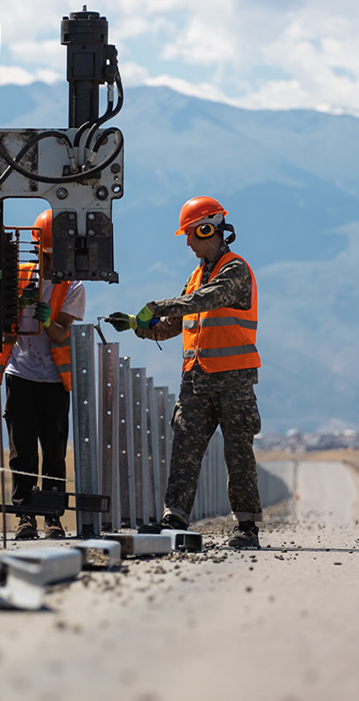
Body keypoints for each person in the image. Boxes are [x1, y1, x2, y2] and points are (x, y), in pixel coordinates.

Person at [110, 195, 263, 549]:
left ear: (208, 228)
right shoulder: (195, 276)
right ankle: (174, 517)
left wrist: (155, 306)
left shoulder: (235, 270)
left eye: (193, 235)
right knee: (185, 448)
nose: (190, 244)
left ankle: (247, 526)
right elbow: (171, 325)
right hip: (196, 380)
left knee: (237, 452)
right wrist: (138, 324)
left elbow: (204, 301)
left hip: (234, 381)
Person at [0, 209, 86, 540]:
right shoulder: (18, 276)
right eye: (43, 253)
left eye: (52, 253)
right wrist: (18, 305)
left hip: (53, 381)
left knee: (53, 449)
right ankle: (24, 516)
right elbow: (3, 328)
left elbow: (63, 334)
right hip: (20, 374)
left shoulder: (73, 286)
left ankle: (52, 517)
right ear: (35, 247)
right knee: (22, 450)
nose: (47, 259)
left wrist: (46, 320)